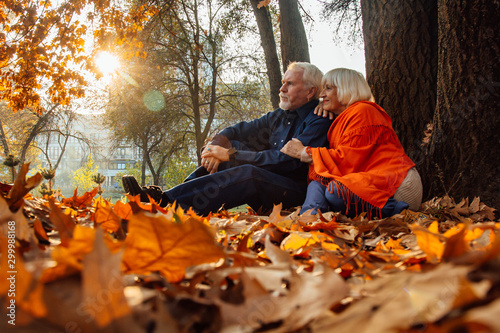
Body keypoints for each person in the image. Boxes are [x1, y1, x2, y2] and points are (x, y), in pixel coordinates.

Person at [122, 62, 333, 215]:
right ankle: (168, 199)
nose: (282, 88)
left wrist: (231, 155)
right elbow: (238, 130)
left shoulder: (319, 119)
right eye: (282, 82)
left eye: (290, 84)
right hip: (266, 182)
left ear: (310, 91)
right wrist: (217, 147)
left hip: (294, 191)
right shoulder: (278, 116)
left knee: (246, 169)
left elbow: (288, 163)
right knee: (234, 148)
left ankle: (166, 204)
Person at [281, 68, 423, 218]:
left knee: (335, 191)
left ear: (346, 89)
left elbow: (348, 160)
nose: (321, 95)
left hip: (396, 186)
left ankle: (403, 212)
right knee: (318, 182)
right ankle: (310, 218)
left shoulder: (363, 111)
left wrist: (304, 152)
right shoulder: (346, 116)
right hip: (364, 181)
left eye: (328, 88)